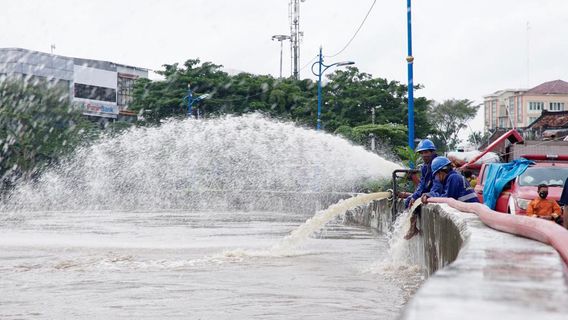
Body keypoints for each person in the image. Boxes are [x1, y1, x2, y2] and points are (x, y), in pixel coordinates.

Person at [403, 139, 440, 240]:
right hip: (428, 191)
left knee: (419, 203)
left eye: (426, 152)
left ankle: (412, 228)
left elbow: (438, 184)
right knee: (408, 201)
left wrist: (429, 194)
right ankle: (412, 227)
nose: (424, 155)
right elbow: (422, 183)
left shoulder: (438, 164)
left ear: (433, 152)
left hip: (436, 192)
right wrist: (415, 196)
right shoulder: (424, 167)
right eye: (422, 153)